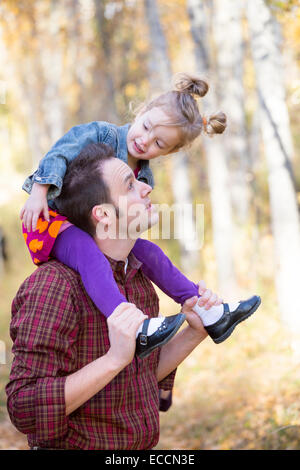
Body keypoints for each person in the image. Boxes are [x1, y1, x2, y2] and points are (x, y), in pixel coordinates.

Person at [20, 73, 261, 355]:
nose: (145, 141)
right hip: (50, 220)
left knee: (148, 251)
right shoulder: (103, 134)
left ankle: (208, 312)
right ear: (142, 111)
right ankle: (130, 327)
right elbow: (60, 152)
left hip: (93, 225)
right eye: (146, 127)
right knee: (87, 253)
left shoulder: (144, 176)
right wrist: (39, 190)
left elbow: (125, 228)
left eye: (159, 144)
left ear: (170, 151)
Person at [6, 143, 215, 450]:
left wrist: (195, 332)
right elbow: (24, 408)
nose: (145, 188)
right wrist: (113, 359)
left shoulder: (138, 276)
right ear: (103, 214)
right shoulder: (55, 286)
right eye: (130, 185)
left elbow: (138, 376)